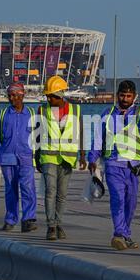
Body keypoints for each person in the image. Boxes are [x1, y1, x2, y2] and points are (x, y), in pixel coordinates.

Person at [88, 80, 140, 250]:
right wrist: (92, 159)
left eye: (128, 96)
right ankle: (118, 234)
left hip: (133, 166)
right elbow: (98, 139)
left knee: (131, 202)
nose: (125, 99)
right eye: (122, 95)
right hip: (113, 164)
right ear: (117, 95)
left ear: (134, 97)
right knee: (117, 198)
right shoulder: (107, 114)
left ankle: (125, 234)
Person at [36, 76, 87, 240]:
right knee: (50, 191)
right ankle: (51, 226)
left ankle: (58, 223)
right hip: (48, 157)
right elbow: (37, 135)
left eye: (52, 96)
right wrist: (36, 157)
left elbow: (81, 133)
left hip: (67, 158)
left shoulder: (75, 110)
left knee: (62, 194)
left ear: (61, 95)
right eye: (47, 96)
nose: (49, 99)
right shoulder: (42, 110)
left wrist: (83, 155)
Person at [0, 82, 37, 233]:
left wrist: (41, 157)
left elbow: (40, 137)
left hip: (27, 157)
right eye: (9, 96)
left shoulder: (33, 115)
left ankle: (28, 219)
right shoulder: (3, 115)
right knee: (11, 190)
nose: (11, 98)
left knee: (28, 188)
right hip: (7, 158)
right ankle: (10, 219)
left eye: (14, 95)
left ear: (22, 95)